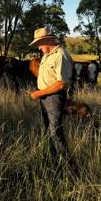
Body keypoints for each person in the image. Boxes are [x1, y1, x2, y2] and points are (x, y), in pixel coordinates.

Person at [29, 27, 74, 162]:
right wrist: (40, 93)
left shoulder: (60, 55)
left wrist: (39, 93)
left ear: (48, 40)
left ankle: (67, 164)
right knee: (49, 129)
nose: (39, 48)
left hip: (54, 98)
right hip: (45, 97)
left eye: (39, 44)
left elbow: (62, 84)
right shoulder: (47, 54)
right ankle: (55, 159)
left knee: (55, 131)